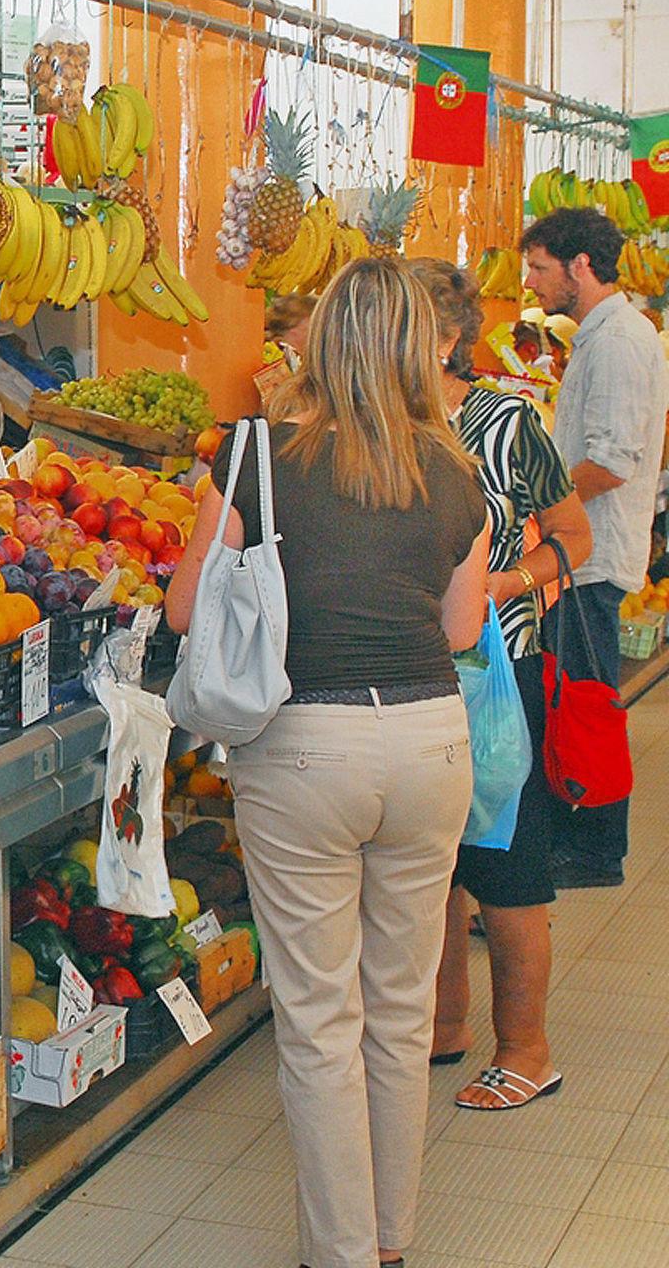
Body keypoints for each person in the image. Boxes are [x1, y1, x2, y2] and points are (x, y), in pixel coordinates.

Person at [167, 257, 489, 1268]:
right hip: (430, 742)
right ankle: (391, 1243)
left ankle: (341, 1255)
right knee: (399, 1014)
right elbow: (464, 624)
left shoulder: (257, 456)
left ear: (315, 340)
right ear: (415, 345)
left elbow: (185, 610)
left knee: (316, 1021)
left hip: (304, 748)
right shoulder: (453, 469)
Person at [411, 259, 592, 1114]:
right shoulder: (380, 425)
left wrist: (506, 584)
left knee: (505, 864)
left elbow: (572, 536)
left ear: (447, 339)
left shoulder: (507, 421)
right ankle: (444, 1024)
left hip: (493, 672)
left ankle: (528, 1049)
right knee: (430, 865)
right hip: (406, 670)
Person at [521, 207, 669, 889]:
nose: (531, 281)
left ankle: (594, 847)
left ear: (581, 266)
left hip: (590, 555)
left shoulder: (615, 342)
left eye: (540, 267)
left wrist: (540, 506)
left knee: (585, 706)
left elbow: (609, 462)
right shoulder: (606, 335)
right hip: (583, 553)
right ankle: (583, 834)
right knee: (580, 698)